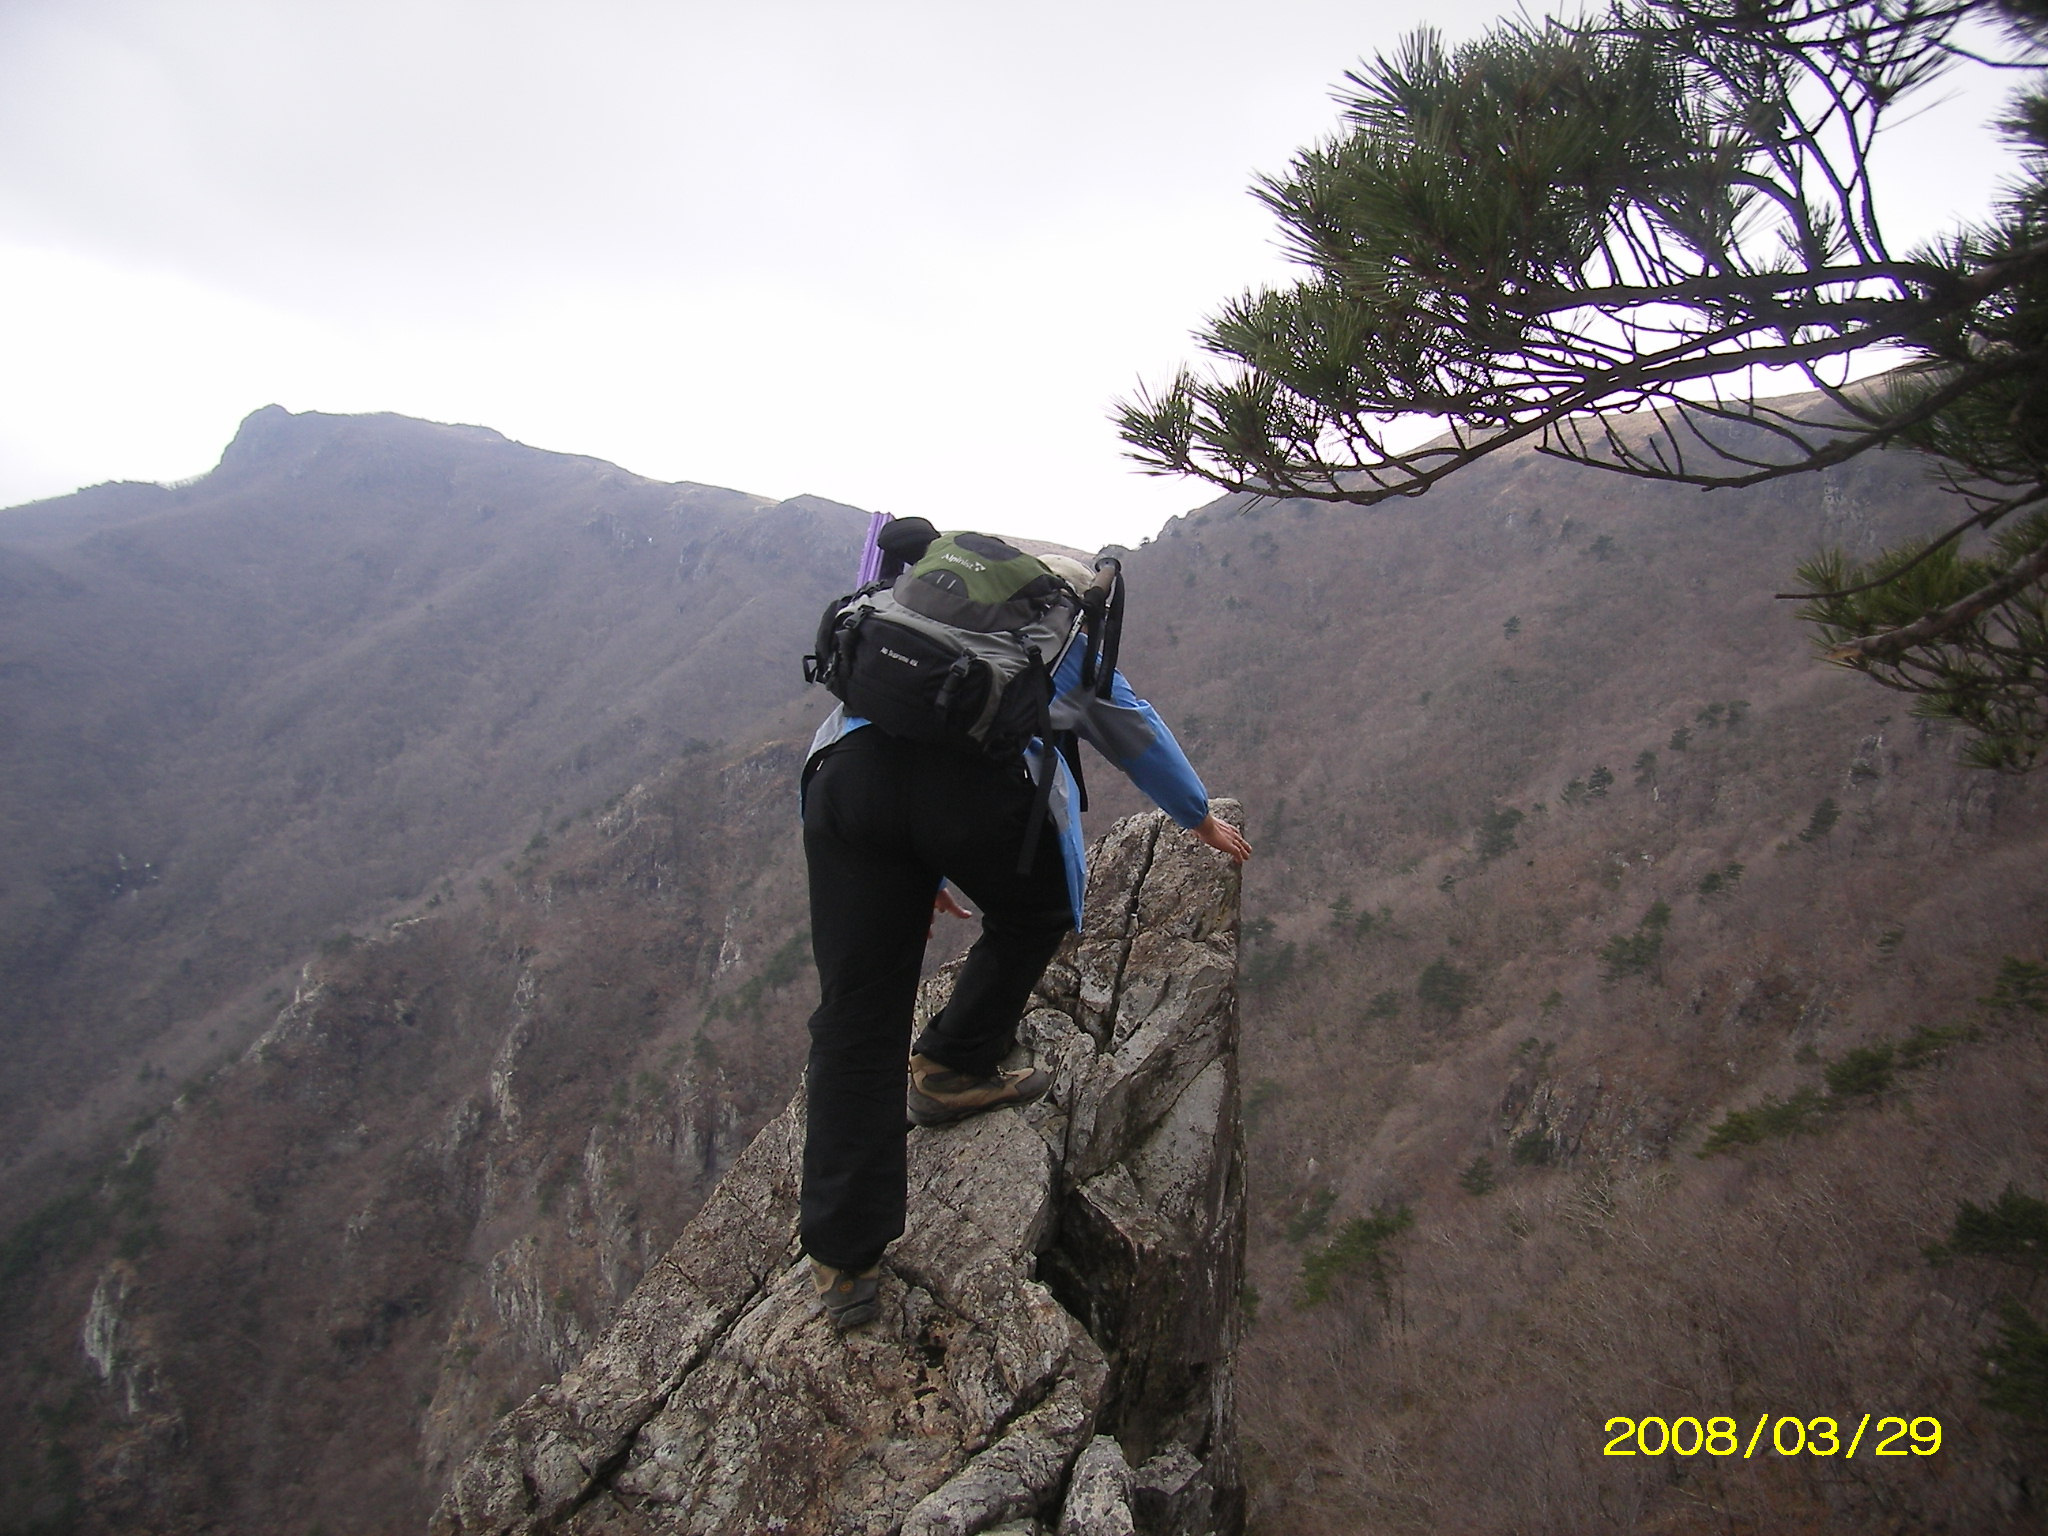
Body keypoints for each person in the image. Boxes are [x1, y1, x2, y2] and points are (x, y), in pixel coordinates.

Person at [797, 518, 1251, 1329]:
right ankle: (952, 1062)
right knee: (1035, 909)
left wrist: (908, 859)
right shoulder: (1052, 622)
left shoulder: (904, 602)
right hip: (967, 804)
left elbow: (865, 718)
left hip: (844, 788)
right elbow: (1123, 721)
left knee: (855, 1014)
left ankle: (843, 1261)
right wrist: (1194, 815)